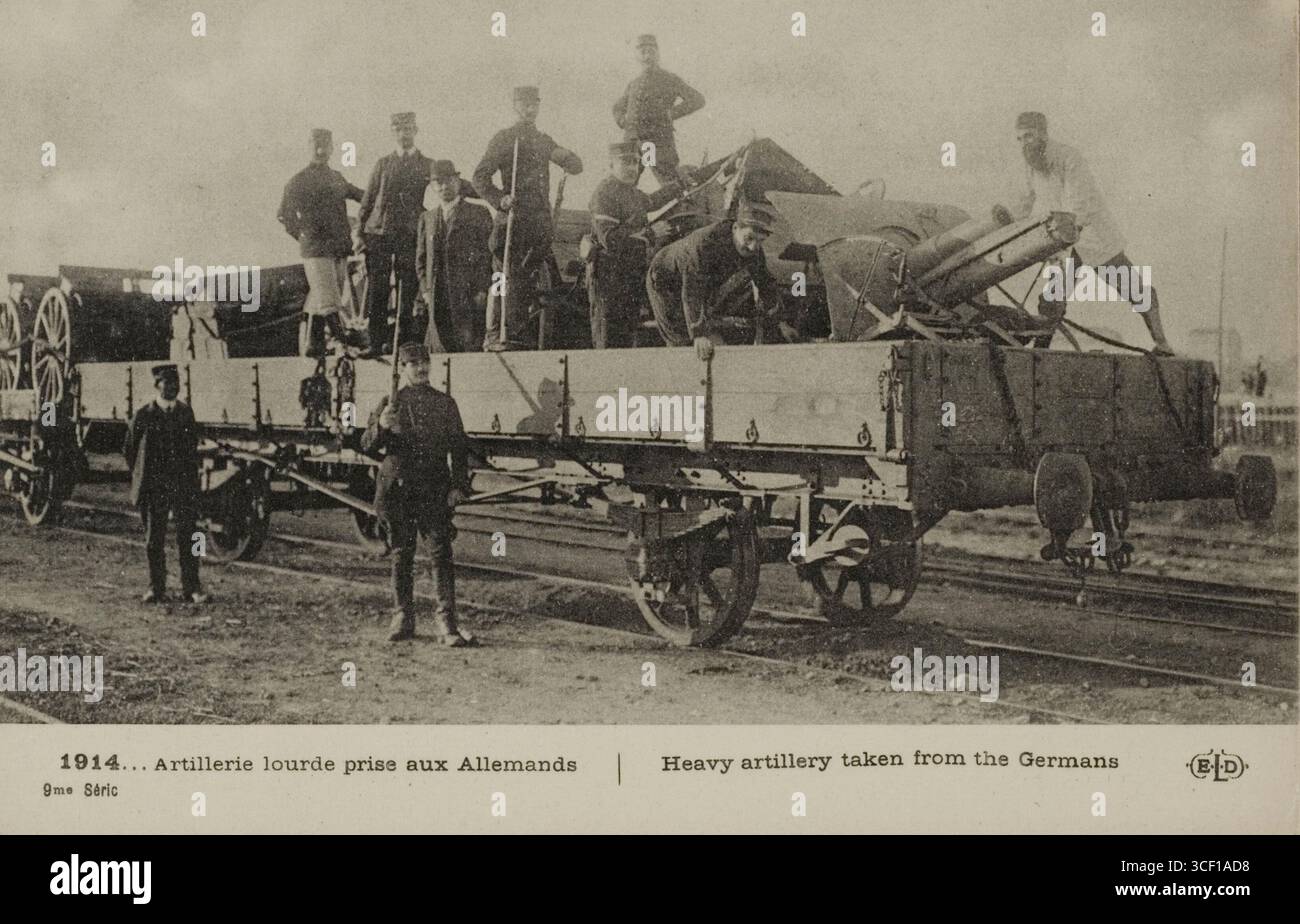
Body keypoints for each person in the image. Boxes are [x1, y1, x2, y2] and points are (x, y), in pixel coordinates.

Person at [1013, 111, 1175, 355]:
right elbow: (1025, 202)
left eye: (1029, 136)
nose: (1024, 143)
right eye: (1020, 139)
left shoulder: (1069, 158)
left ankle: (1163, 344)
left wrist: (1063, 230)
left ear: (1043, 134)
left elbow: (1080, 202)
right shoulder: (1030, 166)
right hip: (1062, 242)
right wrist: (1012, 227)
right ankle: (1039, 356)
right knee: (1051, 301)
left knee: (1135, 289)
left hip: (1093, 237)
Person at [361, 343, 475, 645]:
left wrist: (458, 486)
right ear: (402, 369)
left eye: (425, 362)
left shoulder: (445, 403)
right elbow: (366, 445)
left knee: (441, 554)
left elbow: (460, 450)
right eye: (414, 364)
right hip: (399, 490)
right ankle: (402, 617)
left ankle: (446, 622)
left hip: (433, 491)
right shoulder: (391, 403)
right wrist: (382, 427)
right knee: (402, 555)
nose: (421, 368)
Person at [472, 86, 583, 350]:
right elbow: (479, 177)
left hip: (538, 226)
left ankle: (519, 336)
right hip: (512, 222)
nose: (530, 109)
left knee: (527, 283)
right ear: (515, 106)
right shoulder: (505, 139)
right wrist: (500, 199)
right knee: (503, 279)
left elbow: (575, 165)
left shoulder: (543, 140)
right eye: (524, 104)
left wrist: (568, 159)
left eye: (534, 104)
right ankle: (494, 334)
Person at [646, 200, 798, 360]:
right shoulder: (704, 244)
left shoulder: (753, 250)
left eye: (760, 241)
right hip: (665, 282)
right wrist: (698, 334)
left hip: (695, 286)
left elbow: (765, 283)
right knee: (682, 341)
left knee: (709, 339)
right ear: (735, 228)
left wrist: (781, 322)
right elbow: (692, 290)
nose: (753, 247)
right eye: (749, 238)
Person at [277, 128, 369, 357]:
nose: (321, 149)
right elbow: (283, 215)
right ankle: (342, 338)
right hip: (316, 250)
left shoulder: (336, 178)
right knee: (328, 297)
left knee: (324, 294)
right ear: (309, 146)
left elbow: (361, 195)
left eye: (326, 144)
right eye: (316, 144)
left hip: (338, 247)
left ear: (331, 148)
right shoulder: (298, 181)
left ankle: (313, 343)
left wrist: (381, 196)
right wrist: (303, 236)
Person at [123, 364, 207, 605]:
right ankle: (155, 588)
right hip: (154, 487)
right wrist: (144, 477)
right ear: (157, 385)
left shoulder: (185, 413)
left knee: (190, 537)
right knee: (154, 540)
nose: (173, 387)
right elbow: (130, 450)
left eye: (176, 383)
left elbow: (192, 448)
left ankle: (192, 588)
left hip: (183, 485)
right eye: (167, 383)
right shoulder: (143, 415)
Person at [587, 140, 680, 347]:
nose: (632, 168)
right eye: (625, 163)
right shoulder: (604, 193)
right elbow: (610, 239)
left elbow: (654, 200)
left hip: (629, 276)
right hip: (608, 277)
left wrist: (679, 185)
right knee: (609, 341)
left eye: (636, 163)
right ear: (611, 166)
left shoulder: (632, 193)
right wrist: (650, 234)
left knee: (627, 339)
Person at [358, 112, 433, 354]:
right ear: (393, 133)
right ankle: (375, 342)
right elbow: (368, 200)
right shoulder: (383, 164)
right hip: (378, 234)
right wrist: (359, 232)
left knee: (406, 290)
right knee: (377, 290)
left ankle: (399, 342)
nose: (404, 134)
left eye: (409, 129)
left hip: (408, 236)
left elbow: (451, 187)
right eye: (399, 130)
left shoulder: (426, 164)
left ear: (416, 131)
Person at [417, 160, 493, 353]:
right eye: (438, 182)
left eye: (448, 180)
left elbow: (487, 255)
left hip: (467, 293)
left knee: (467, 343)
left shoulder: (478, 213)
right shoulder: (427, 218)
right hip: (437, 293)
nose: (444, 187)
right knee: (439, 343)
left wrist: (482, 289)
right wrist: (426, 290)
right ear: (432, 187)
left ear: (458, 181)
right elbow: (421, 259)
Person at [612, 34, 705, 186]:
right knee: (622, 187)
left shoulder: (669, 79)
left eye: (651, 51)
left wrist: (671, 114)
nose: (647, 56)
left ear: (657, 54)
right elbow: (617, 107)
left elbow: (697, 99)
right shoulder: (633, 84)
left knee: (671, 186)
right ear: (637, 56)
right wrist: (623, 120)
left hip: (657, 142)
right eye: (643, 52)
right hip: (632, 144)